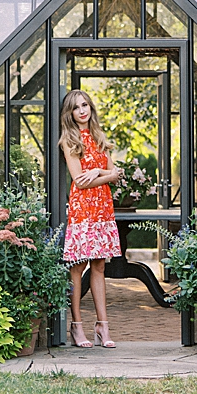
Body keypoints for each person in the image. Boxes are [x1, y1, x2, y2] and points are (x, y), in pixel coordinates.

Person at [59, 89, 123, 348]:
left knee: (99, 266)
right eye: (76, 107)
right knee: (78, 267)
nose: (82, 110)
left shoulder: (99, 137)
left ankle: (102, 326)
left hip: (103, 209)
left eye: (85, 105)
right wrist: (106, 174)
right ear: (70, 113)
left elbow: (115, 171)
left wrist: (98, 170)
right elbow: (80, 181)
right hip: (83, 210)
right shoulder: (68, 140)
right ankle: (77, 327)